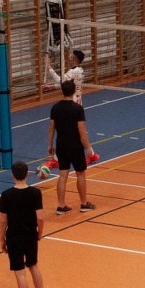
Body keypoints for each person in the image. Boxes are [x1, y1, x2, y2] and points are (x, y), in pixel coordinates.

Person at [0, 161, 51, 288]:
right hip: (30, 235)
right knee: (33, 266)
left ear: (12, 175)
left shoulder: (6, 195)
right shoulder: (35, 192)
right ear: (27, 174)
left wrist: (2, 239)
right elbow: (40, 217)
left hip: (14, 237)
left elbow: (3, 221)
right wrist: (39, 233)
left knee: (20, 272)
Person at [47, 79, 96, 215]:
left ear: (62, 91)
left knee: (63, 175)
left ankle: (61, 206)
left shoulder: (55, 108)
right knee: (80, 173)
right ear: (74, 91)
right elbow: (82, 131)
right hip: (75, 146)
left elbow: (51, 128)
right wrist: (88, 148)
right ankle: (84, 204)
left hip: (61, 145)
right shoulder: (77, 109)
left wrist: (50, 145)